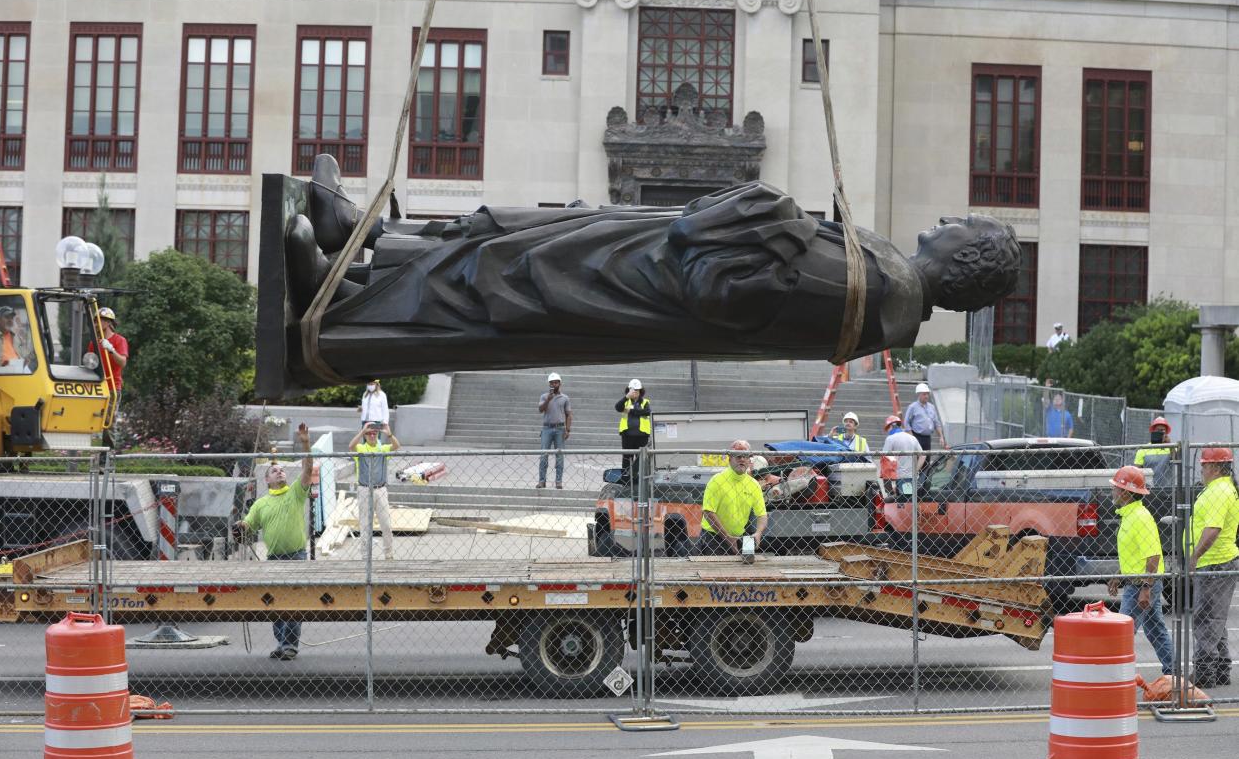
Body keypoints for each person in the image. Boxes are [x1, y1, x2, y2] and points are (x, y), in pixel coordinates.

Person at [259, 155, 1022, 394]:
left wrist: (768, 209)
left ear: (965, 258)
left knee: (500, 270)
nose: (940, 221)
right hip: (646, 261)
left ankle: (341, 293)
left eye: (956, 225)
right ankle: (360, 244)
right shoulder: (885, 281)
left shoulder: (874, 292)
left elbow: (727, 291)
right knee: (520, 230)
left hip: (640, 281)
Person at [235, 424, 314, 661]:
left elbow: (308, 469)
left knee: (292, 601)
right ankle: (282, 642)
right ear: (267, 480)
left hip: (296, 556)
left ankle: (290, 644)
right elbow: (249, 525)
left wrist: (305, 443)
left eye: (282, 470)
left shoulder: (296, 493)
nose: (280, 472)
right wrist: (240, 527)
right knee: (275, 603)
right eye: (274, 471)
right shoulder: (261, 504)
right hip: (274, 558)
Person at [1106, 465, 1174, 677]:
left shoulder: (1140, 518)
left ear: (1125, 493)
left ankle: (1114, 676)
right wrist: (1119, 575)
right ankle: (1174, 673)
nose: (1113, 492)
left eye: (1116, 488)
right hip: (1138, 581)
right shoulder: (1130, 515)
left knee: (1122, 632)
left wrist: (1146, 588)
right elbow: (1133, 553)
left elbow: (1152, 555)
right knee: (1156, 631)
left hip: (1141, 585)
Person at [1184, 446, 1239, 688]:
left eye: (1204, 465)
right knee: (1215, 619)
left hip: (1214, 561)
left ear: (1216, 467)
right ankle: (1221, 669)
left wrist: (1195, 556)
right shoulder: (1223, 488)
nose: (1202, 469)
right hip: (1217, 561)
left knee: (1206, 619)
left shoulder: (1219, 491)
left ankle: (1205, 673)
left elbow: (1213, 529)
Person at [696, 440, 767, 555]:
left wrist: (758, 533)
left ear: (750, 460)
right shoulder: (717, 481)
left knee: (745, 569)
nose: (742, 459)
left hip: (739, 536)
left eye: (745, 456)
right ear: (730, 459)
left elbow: (762, 514)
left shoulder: (753, 485)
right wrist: (727, 537)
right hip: (714, 537)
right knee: (716, 572)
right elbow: (708, 512)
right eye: (738, 456)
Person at [348, 421, 401, 561]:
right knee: (365, 525)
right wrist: (362, 431)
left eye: (374, 433)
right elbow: (350, 446)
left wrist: (388, 433)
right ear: (365, 436)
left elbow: (396, 446)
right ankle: (366, 558)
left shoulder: (382, 449)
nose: (372, 436)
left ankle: (388, 555)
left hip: (380, 489)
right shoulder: (361, 448)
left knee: (386, 524)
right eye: (369, 433)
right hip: (364, 489)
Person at [537, 372, 571, 489]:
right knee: (543, 455)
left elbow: (568, 414)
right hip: (547, 428)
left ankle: (558, 481)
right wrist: (548, 399)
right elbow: (541, 410)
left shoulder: (565, 398)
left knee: (560, 456)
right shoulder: (544, 396)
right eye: (551, 382)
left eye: (556, 382)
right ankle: (542, 481)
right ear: (549, 384)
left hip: (560, 429)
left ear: (560, 383)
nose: (554, 384)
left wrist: (568, 429)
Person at [88, 306, 129, 404]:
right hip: (96, 387)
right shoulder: (93, 343)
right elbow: (91, 366)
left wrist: (111, 349)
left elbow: (123, 362)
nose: (95, 324)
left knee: (108, 419)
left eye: (97, 321)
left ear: (108, 322)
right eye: (94, 321)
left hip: (112, 388)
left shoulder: (119, 340)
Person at [615, 378, 651, 486]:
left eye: (637, 390)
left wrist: (631, 411)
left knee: (641, 460)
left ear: (641, 391)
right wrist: (627, 397)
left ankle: (641, 482)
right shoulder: (625, 401)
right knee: (627, 459)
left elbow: (647, 411)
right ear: (629, 390)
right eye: (633, 390)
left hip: (642, 435)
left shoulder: (645, 402)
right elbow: (617, 407)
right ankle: (626, 482)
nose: (635, 392)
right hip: (627, 435)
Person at [881, 415, 922, 495]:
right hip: (912, 476)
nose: (888, 431)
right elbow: (923, 455)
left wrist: (887, 485)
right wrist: (915, 470)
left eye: (888, 428)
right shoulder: (912, 438)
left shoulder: (890, 439)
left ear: (891, 426)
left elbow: (885, 459)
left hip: (899, 475)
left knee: (903, 502)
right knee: (910, 500)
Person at [904, 383, 947, 452]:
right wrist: (912, 438)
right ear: (919, 394)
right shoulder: (913, 407)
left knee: (927, 459)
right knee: (917, 459)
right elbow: (906, 423)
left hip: (927, 438)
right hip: (917, 436)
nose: (926, 396)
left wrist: (941, 437)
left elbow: (936, 423)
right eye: (924, 394)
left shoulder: (931, 407)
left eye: (927, 394)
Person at [0, 303, 36, 373]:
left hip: (18, 371)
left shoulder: (16, 337)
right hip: (2, 374)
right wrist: (5, 364)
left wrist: (27, 359)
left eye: (11, 318)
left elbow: (25, 355)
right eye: (6, 317)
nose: (10, 320)